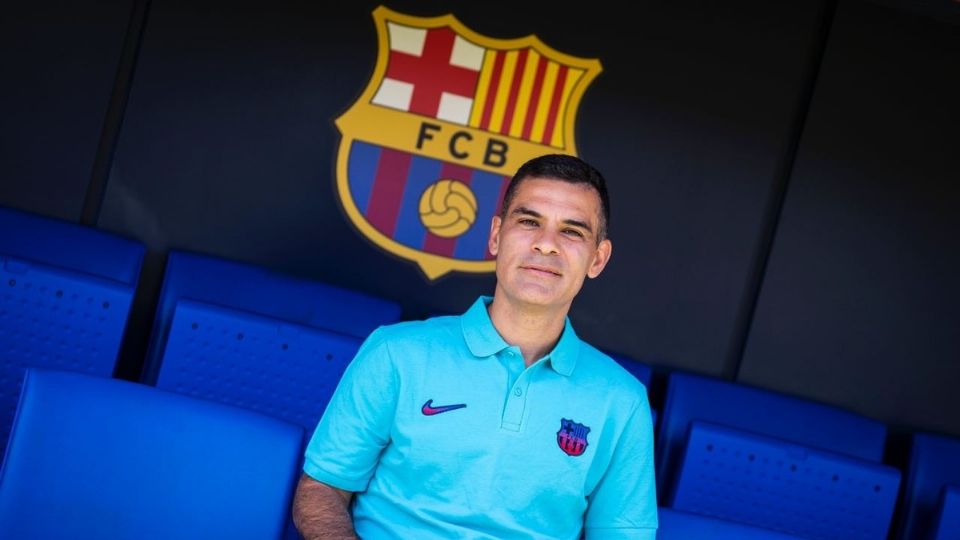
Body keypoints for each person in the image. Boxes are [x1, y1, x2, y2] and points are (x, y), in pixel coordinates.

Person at [292, 154, 658, 539]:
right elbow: (322, 489)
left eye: (571, 231)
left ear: (597, 259)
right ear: (496, 235)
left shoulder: (623, 402)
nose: (546, 244)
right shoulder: (395, 352)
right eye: (529, 221)